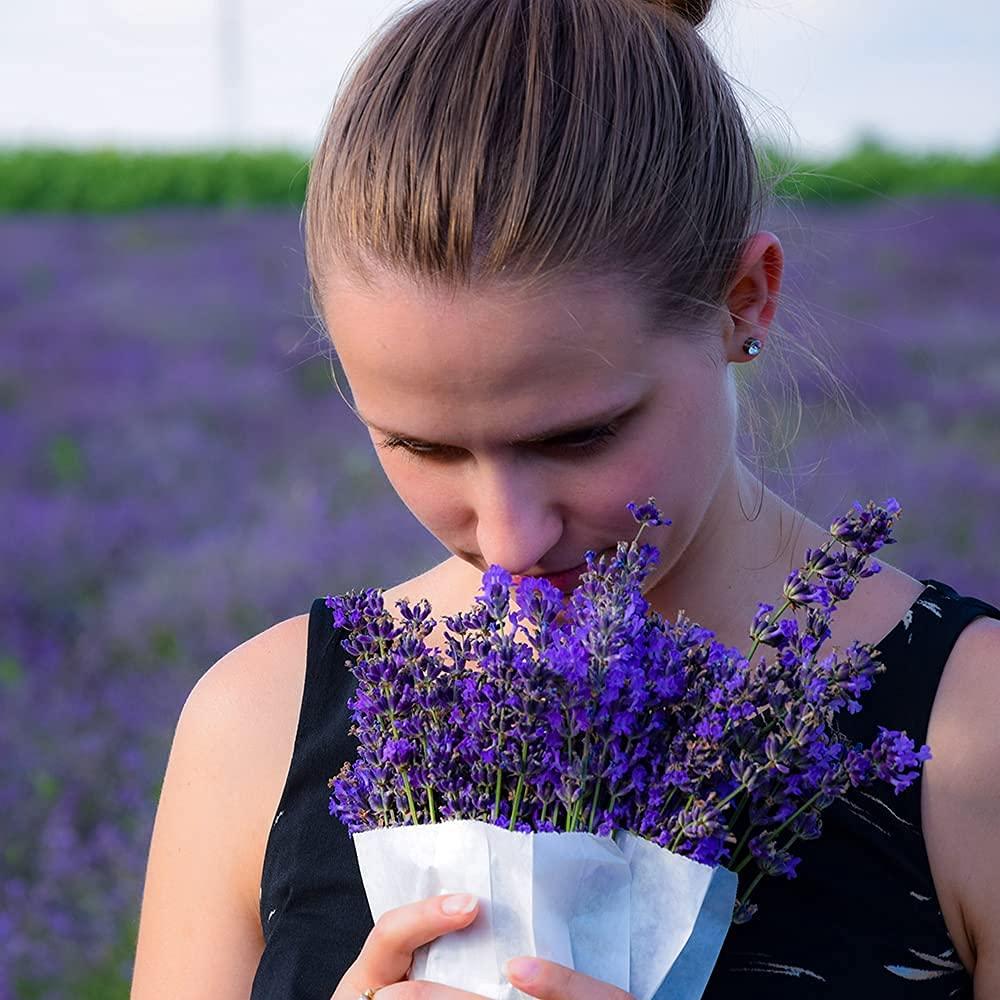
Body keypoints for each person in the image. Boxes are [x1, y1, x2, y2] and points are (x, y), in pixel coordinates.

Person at [129, 0, 1000, 997]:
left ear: (744, 300)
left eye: (578, 437)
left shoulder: (972, 733)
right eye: (422, 444)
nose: (509, 541)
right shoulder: (256, 725)